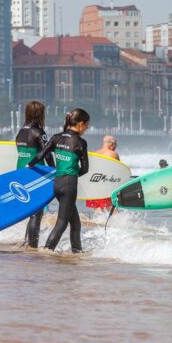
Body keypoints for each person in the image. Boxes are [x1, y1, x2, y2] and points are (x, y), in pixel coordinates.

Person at [28, 108, 90, 253]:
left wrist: (28, 166)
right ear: (80, 124)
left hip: (57, 184)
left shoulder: (56, 138)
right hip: (69, 185)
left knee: (75, 223)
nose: (86, 129)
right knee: (61, 223)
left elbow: (41, 155)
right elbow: (85, 169)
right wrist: (72, 175)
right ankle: (47, 252)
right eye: (87, 125)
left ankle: (77, 252)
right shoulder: (80, 142)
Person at [16, 101, 55, 248]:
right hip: (36, 173)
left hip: (21, 171)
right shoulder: (39, 132)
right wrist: (54, 170)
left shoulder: (21, 132)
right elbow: (47, 154)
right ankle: (32, 247)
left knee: (32, 210)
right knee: (36, 213)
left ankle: (28, 242)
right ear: (39, 115)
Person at [85, 135, 120, 211]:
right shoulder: (113, 154)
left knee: (98, 211)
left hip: (93, 185)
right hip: (105, 184)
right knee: (112, 208)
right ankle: (118, 222)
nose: (115, 147)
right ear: (111, 144)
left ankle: (98, 223)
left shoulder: (96, 153)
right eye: (115, 145)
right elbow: (119, 170)